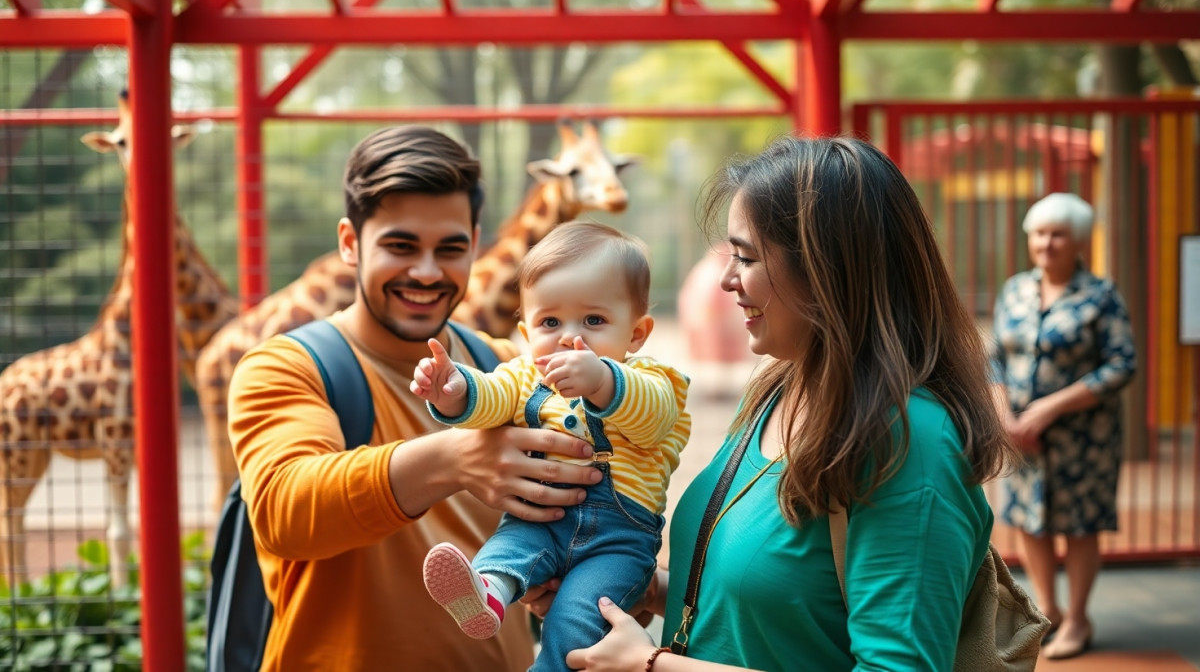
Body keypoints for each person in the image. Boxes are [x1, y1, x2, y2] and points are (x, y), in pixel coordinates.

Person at [522, 135, 1016, 672]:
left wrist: (652, 666)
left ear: (827, 268)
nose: (728, 280)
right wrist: (629, 594)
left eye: (747, 257)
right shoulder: (780, 387)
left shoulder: (909, 443)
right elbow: (779, 609)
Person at [226, 125, 605, 671]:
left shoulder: (508, 365)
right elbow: (283, 511)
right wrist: (456, 460)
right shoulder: (285, 367)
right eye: (401, 246)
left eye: (449, 249)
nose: (427, 272)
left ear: (476, 243)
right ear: (350, 243)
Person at [411, 220, 691, 672]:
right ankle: (487, 596)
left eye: (594, 321)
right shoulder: (525, 375)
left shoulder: (656, 381)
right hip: (541, 519)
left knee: (577, 616)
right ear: (525, 332)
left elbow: (653, 421)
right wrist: (455, 390)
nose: (568, 336)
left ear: (636, 333)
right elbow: (493, 396)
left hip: (618, 539)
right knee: (507, 551)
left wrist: (602, 380)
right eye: (550, 321)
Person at [989, 192, 1137, 660]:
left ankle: (1078, 618)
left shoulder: (1100, 295)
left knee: (1078, 525)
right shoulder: (1014, 289)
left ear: (1077, 242)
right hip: (1021, 437)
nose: (1047, 243)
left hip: (1082, 438)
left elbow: (1122, 365)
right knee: (1030, 523)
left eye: (1058, 235)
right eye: (1039, 234)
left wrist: (1049, 409)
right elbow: (993, 358)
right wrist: (1005, 418)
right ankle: (1046, 611)